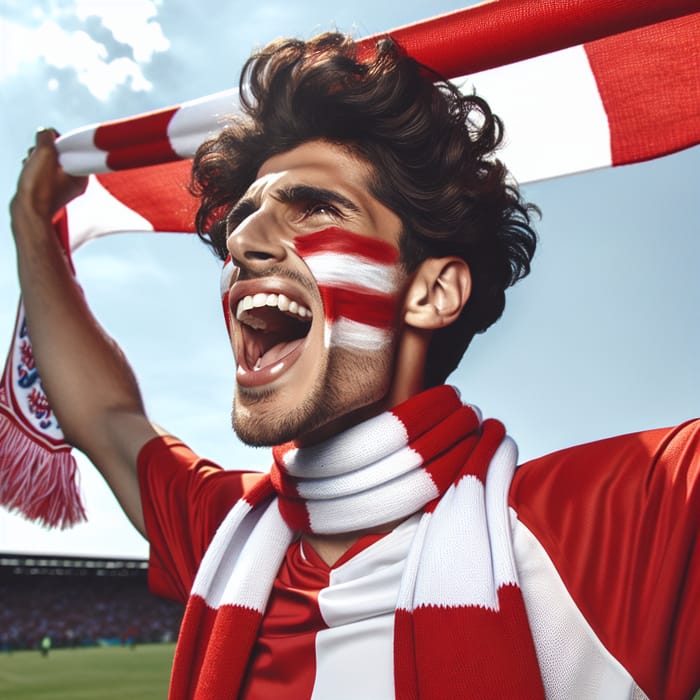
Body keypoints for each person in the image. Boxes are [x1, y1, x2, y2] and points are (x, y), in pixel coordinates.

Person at [10, 33, 699, 700]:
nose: (242, 240)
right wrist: (31, 227)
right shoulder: (227, 531)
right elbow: (105, 416)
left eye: (312, 208)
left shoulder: (625, 519)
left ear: (432, 293)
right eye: (242, 218)